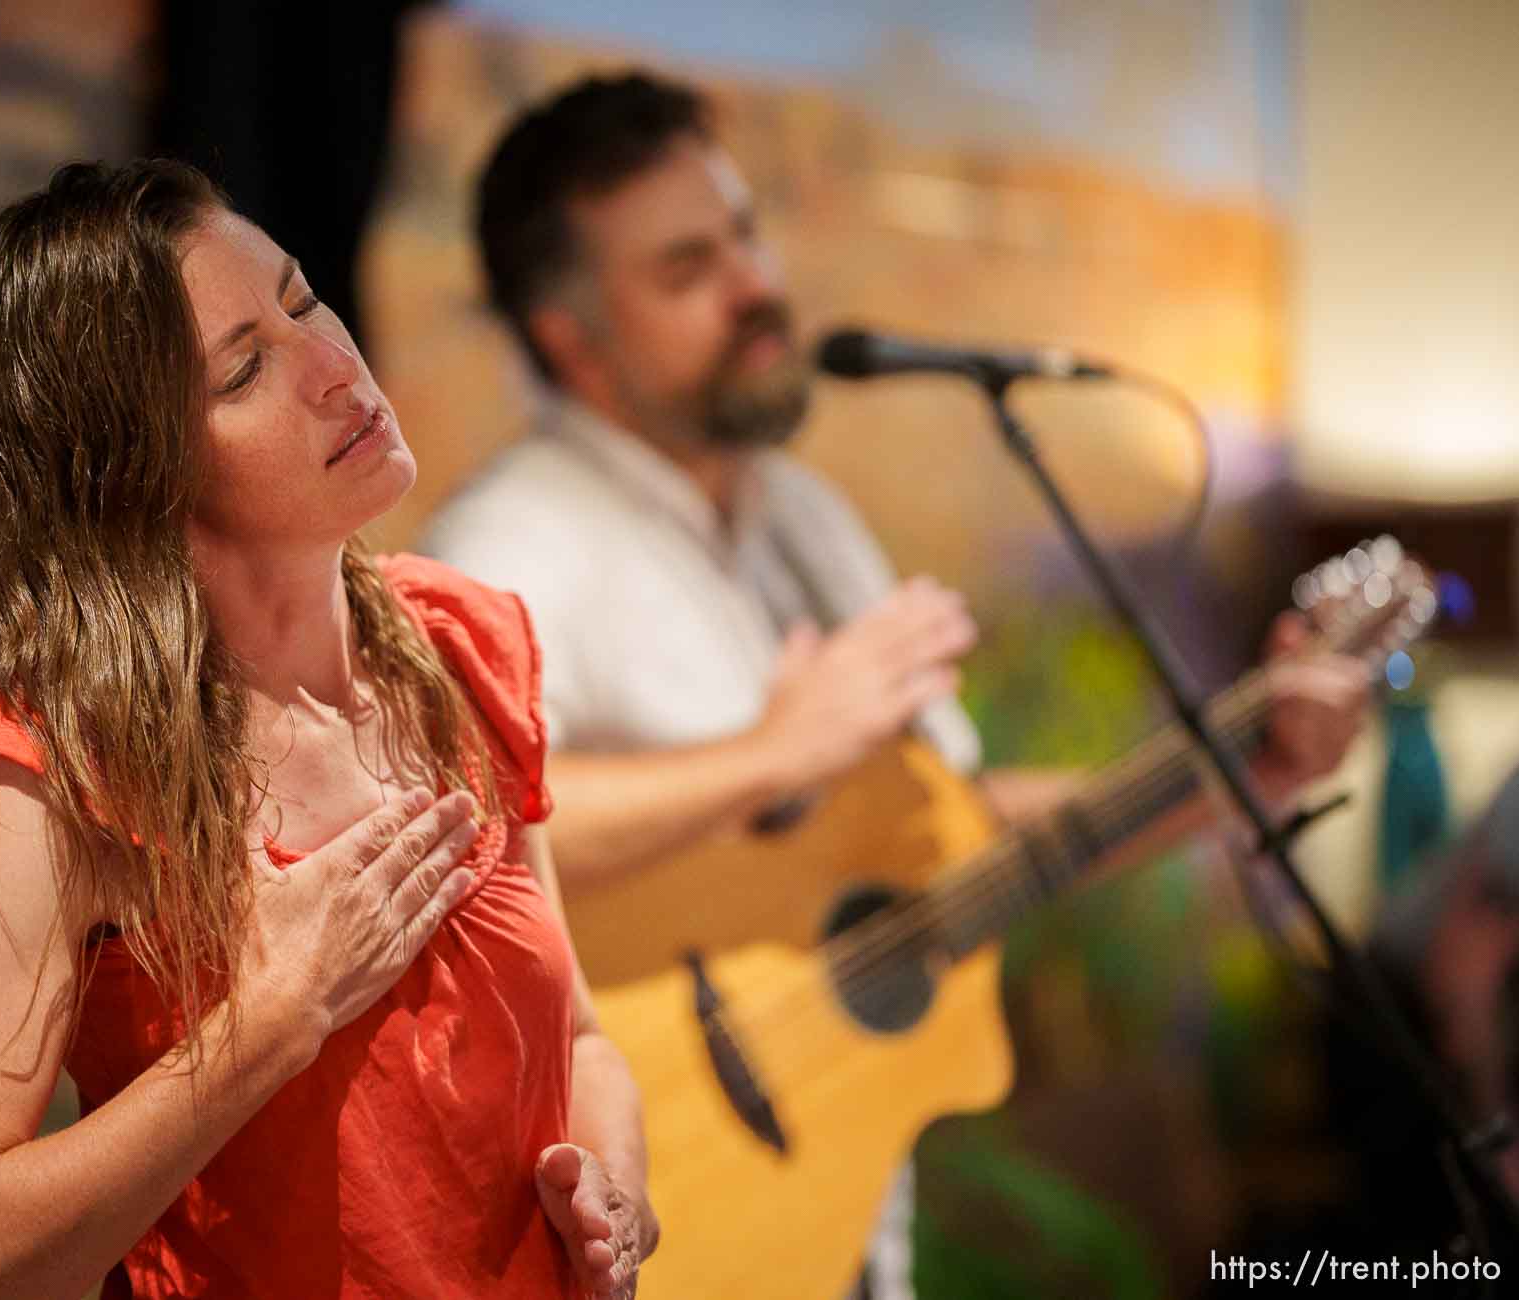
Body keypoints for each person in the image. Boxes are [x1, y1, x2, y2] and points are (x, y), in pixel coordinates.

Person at [418, 71, 1370, 1297]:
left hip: (846, 1218)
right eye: (685, 268)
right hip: (655, 1215)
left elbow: (956, 831)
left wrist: (1248, 771)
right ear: (572, 339)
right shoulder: (513, 542)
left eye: (746, 234)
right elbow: (445, 826)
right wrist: (771, 757)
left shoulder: (803, 517)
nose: (755, 286)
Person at [0, 159, 653, 1300]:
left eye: (301, 300)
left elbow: (578, 1038)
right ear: (134, 478)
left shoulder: (465, 649)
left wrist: (614, 1191)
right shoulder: (54, 774)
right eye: (243, 371)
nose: (336, 368)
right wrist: (269, 1022)